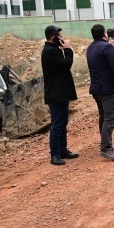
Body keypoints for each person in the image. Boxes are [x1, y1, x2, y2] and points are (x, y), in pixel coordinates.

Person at [87, 24, 114, 161]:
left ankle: (105, 143)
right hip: (108, 89)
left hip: (96, 89)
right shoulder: (107, 47)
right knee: (110, 118)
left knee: (103, 116)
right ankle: (106, 148)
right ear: (104, 34)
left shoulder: (90, 48)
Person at [40, 25, 79, 166]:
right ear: (53, 37)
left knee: (63, 123)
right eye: (60, 36)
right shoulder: (50, 51)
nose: (62, 39)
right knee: (57, 124)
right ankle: (55, 154)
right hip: (55, 94)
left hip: (60, 93)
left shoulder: (54, 49)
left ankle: (63, 150)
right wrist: (68, 50)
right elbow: (66, 64)